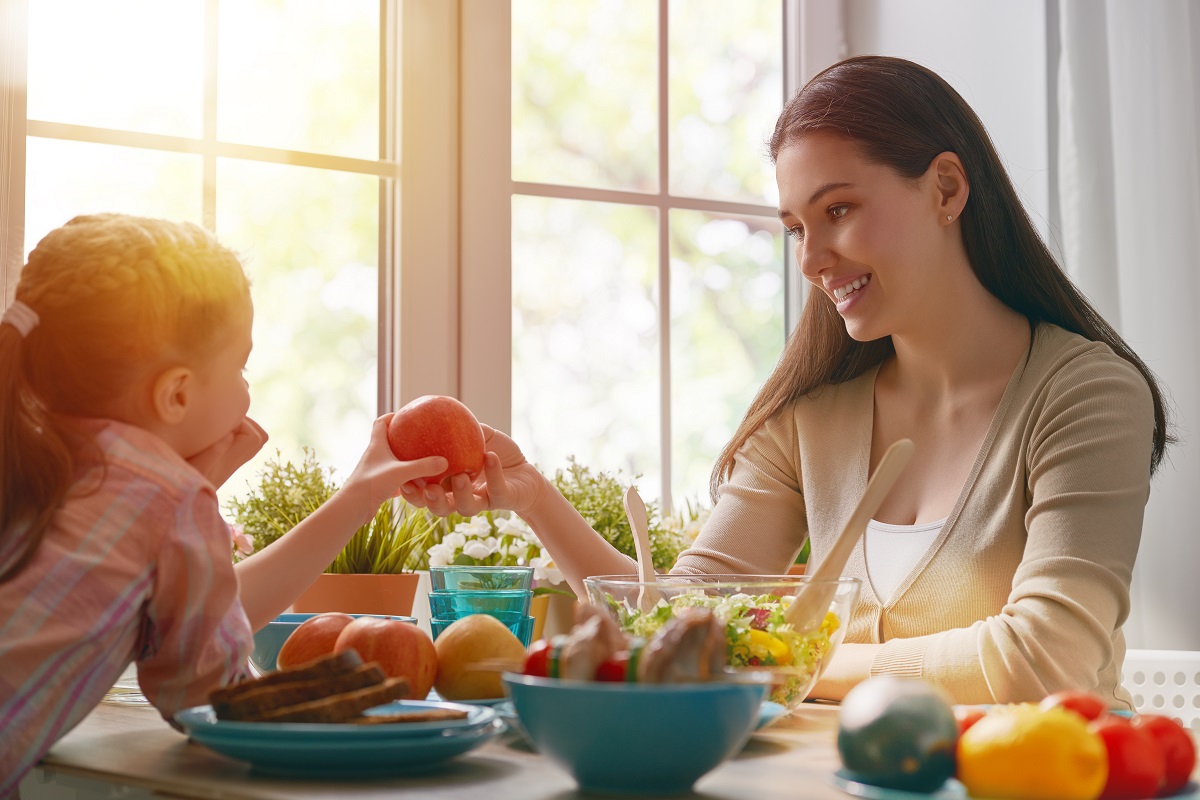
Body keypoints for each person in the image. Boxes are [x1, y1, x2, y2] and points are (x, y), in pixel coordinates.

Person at [405, 55, 1170, 709]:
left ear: (945, 190)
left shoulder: (1085, 396)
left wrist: (789, 664)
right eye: (797, 228)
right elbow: (679, 618)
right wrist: (533, 496)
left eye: (838, 209)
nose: (810, 260)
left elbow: (1048, 659)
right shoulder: (812, 419)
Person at [0, 213, 447, 794]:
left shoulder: (33, 458)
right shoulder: (168, 501)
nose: (245, 389)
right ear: (177, 392)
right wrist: (195, 497)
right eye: (240, 365)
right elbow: (203, 696)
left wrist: (195, 490)